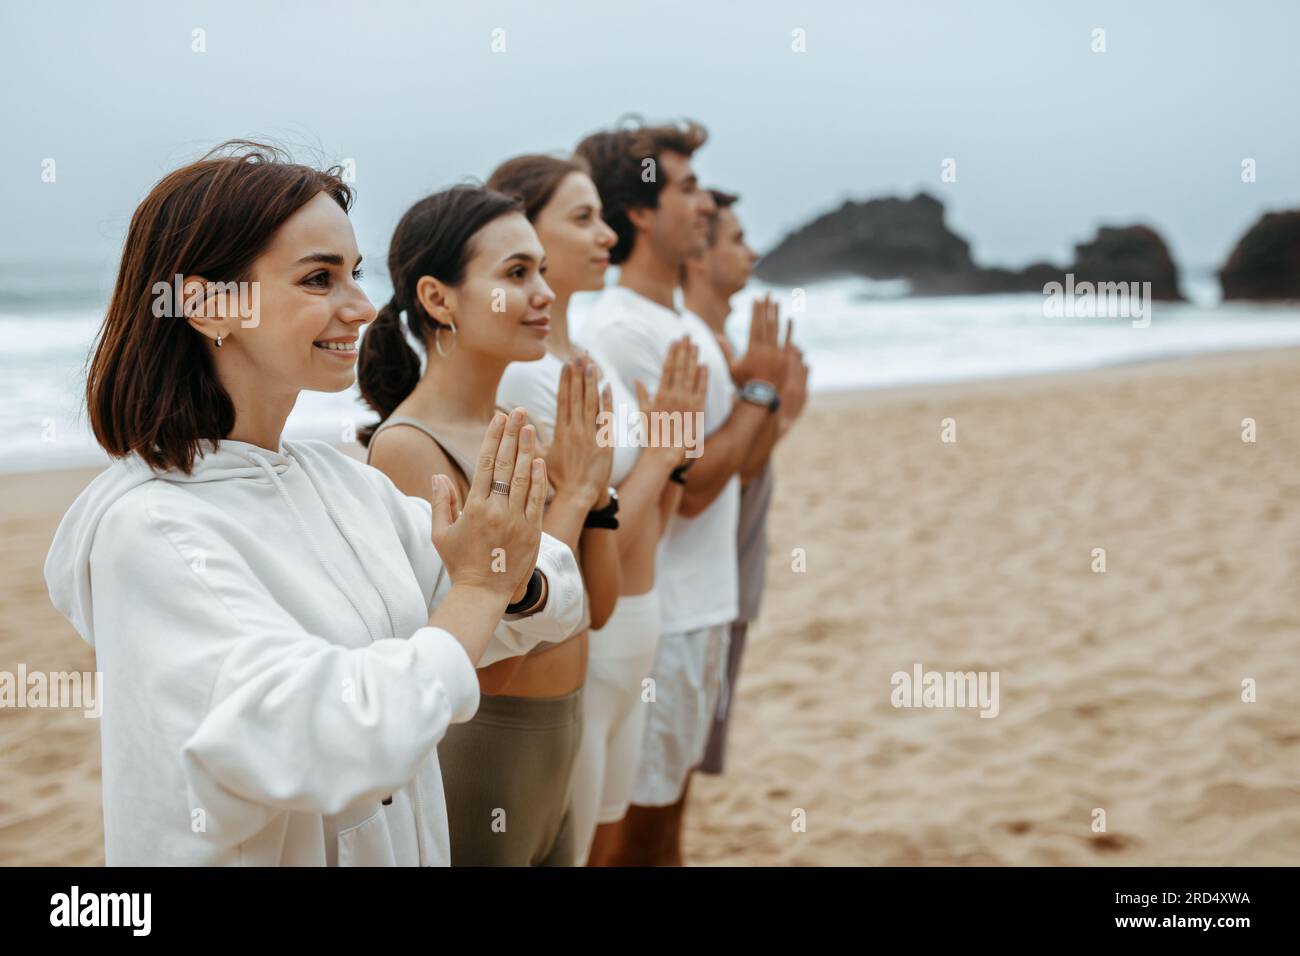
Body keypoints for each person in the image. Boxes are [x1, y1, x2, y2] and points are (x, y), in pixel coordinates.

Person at [42, 142, 584, 866]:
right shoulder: (151, 530)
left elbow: (553, 593)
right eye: (318, 278)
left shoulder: (340, 482)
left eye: (354, 274)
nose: (360, 307)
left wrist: (510, 582)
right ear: (208, 307)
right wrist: (484, 587)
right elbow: (336, 736)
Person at [358, 184, 617, 866]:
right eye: (515, 274)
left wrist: (600, 498)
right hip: (489, 752)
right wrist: (577, 495)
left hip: (564, 733)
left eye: (542, 271)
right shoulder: (407, 447)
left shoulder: (516, 430)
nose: (544, 294)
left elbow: (597, 604)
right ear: (439, 299)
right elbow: (486, 655)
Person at [575, 119, 790, 864]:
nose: (704, 206)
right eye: (688, 188)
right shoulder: (623, 332)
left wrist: (767, 393)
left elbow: (746, 464)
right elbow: (692, 487)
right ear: (638, 210)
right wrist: (761, 388)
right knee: (630, 841)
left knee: (669, 830)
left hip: (706, 604)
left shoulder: (683, 327)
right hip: (659, 616)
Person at [486, 153, 708, 864]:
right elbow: (583, 520)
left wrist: (672, 455)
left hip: (639, 615)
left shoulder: (587, 357)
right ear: (524, 230)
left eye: (602, 217)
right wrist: (665, 455)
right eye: (582, 219)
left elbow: (642, 511)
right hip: (592, 631)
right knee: (581, 850)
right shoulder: (526, 373)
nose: (606, 235)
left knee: (608, 837)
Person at [682, 190, 810, 777]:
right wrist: (770, 403)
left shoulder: (724, 348)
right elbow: (708, 481)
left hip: (727, 580)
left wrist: (775, 408)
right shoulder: (695, 352)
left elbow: (741, 468)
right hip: (703, 586)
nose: (753, 253)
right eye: (736, 239)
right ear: (697, 256)